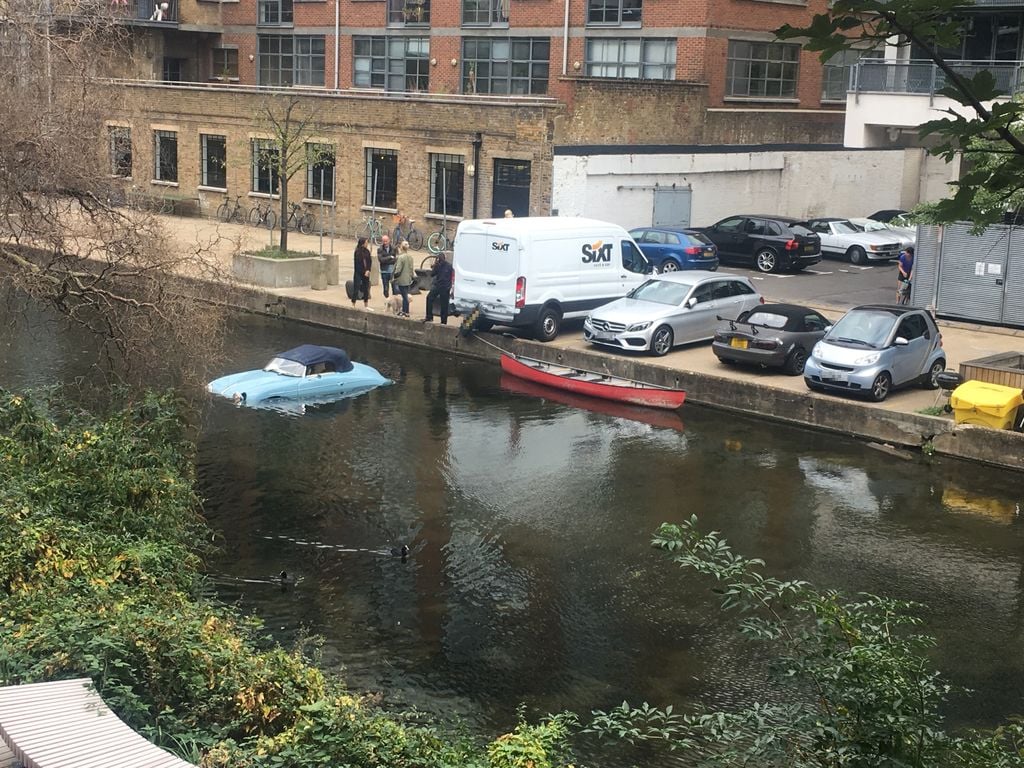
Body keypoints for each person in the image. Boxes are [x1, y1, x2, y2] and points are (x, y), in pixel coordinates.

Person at [422, 251, 453, 325]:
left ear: (438, 259)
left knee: (429, 298)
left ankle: (429, 316)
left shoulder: (437, 265)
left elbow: (432, 274)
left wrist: (434, 266)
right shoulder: (449, 266)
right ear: (445, 258)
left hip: (438, 286)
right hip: (446, 287)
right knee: (444, 304)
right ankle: (443, 321)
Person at [391, 240, 415, 317]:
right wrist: (411, 277)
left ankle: (405, 311)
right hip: (408, 279)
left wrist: (394, 276)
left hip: (401, 280)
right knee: (405, 295)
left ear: (401, 247)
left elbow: (398, 269)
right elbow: (411, 268)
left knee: (404, 296)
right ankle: (405, 311)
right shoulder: (410, 257)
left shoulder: (400, 257)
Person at [352, 237, 372, 309]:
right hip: (359, 272)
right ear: (363, 243)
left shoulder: (367, 251)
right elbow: (358, 264)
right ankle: (353, 303)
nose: (367, 244)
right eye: (366, 242)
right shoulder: (357, 252)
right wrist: (364, 271)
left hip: (366, 272)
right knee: (356, 288)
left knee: (366, 288)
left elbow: (369, 261)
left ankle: (366, 304)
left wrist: (368, 270)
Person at [377, 234, 397, 299]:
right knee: (385, 288)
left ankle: (395, 301)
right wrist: (389, 257)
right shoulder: (380, 249)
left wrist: (386, 260)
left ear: (389, 241)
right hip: (384, 271)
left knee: (395, 288)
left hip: (392, 271)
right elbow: (381, 260)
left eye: (386, 241)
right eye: (383, 241)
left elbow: (395, 260)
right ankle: (387, 301)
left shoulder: (394, 248)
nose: (385, 243)